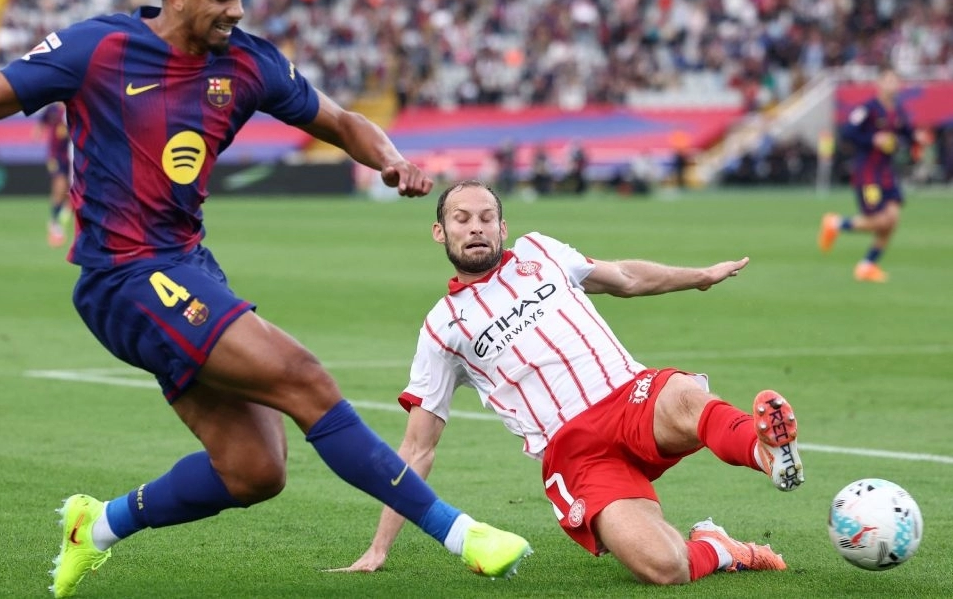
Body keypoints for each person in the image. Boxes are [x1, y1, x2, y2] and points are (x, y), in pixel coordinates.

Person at [0, 0, 531, 597]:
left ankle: (94, 527)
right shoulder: (98, 48)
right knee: (303, 377)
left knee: (255, 469)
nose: (237, 10)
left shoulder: (247, 63)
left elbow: (342, 119)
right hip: (122, 277)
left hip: (187, 267)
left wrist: (391, 159)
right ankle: (463, 535)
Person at [333, 180, 804, 585]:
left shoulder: (541, 251)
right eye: (461, 219)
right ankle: (720, 548)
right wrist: (379, 547)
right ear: (441, 232)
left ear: (503, 228)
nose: (474, 226)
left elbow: (624, 277)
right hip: (577, 452)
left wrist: (700, 276)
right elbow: (417, 448)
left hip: (628, 395)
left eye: (486, 217)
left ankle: (764, 451)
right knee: (663, 568)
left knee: (683, 396)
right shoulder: (442, 328)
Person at [818, 69, 915, 282]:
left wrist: (916, 138)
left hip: (887, 173)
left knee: (893, 220)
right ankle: (835, 224)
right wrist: (873, 139)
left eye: (895, 81)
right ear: (879, 83)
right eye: (888, 80)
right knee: (879, 220)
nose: (892, 84)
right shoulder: (867, 109)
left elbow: (907, 133)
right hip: (868, 174)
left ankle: (867, 265)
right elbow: (848, 131)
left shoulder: (898, 111)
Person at [36, 101, 71, 246]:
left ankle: (61, 215)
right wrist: (37, 133)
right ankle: (54, 221)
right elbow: (41, 123)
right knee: (59, 183)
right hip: (56, 156)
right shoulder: (53, 109)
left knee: (70, 189)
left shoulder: (75, 107)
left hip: (72, 156)